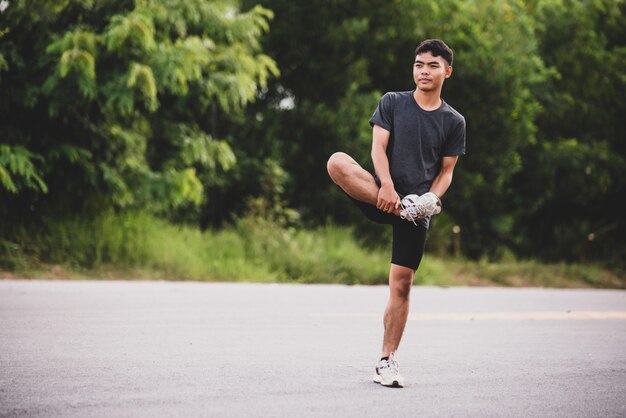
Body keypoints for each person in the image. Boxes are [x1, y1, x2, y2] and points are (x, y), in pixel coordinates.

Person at [326, 39, 466, 388]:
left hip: (415, 210)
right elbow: (378, 147)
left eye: (433, 65)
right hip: (381, 195)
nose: (424, 71)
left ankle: (387, 361)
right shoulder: (393, 102)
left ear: (447, 71)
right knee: (337, 162)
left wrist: (431, 197)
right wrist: (387, 187)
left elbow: (446, 172)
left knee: (401, 286)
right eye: (419, 64)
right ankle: (402, 206)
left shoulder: (454, 121)